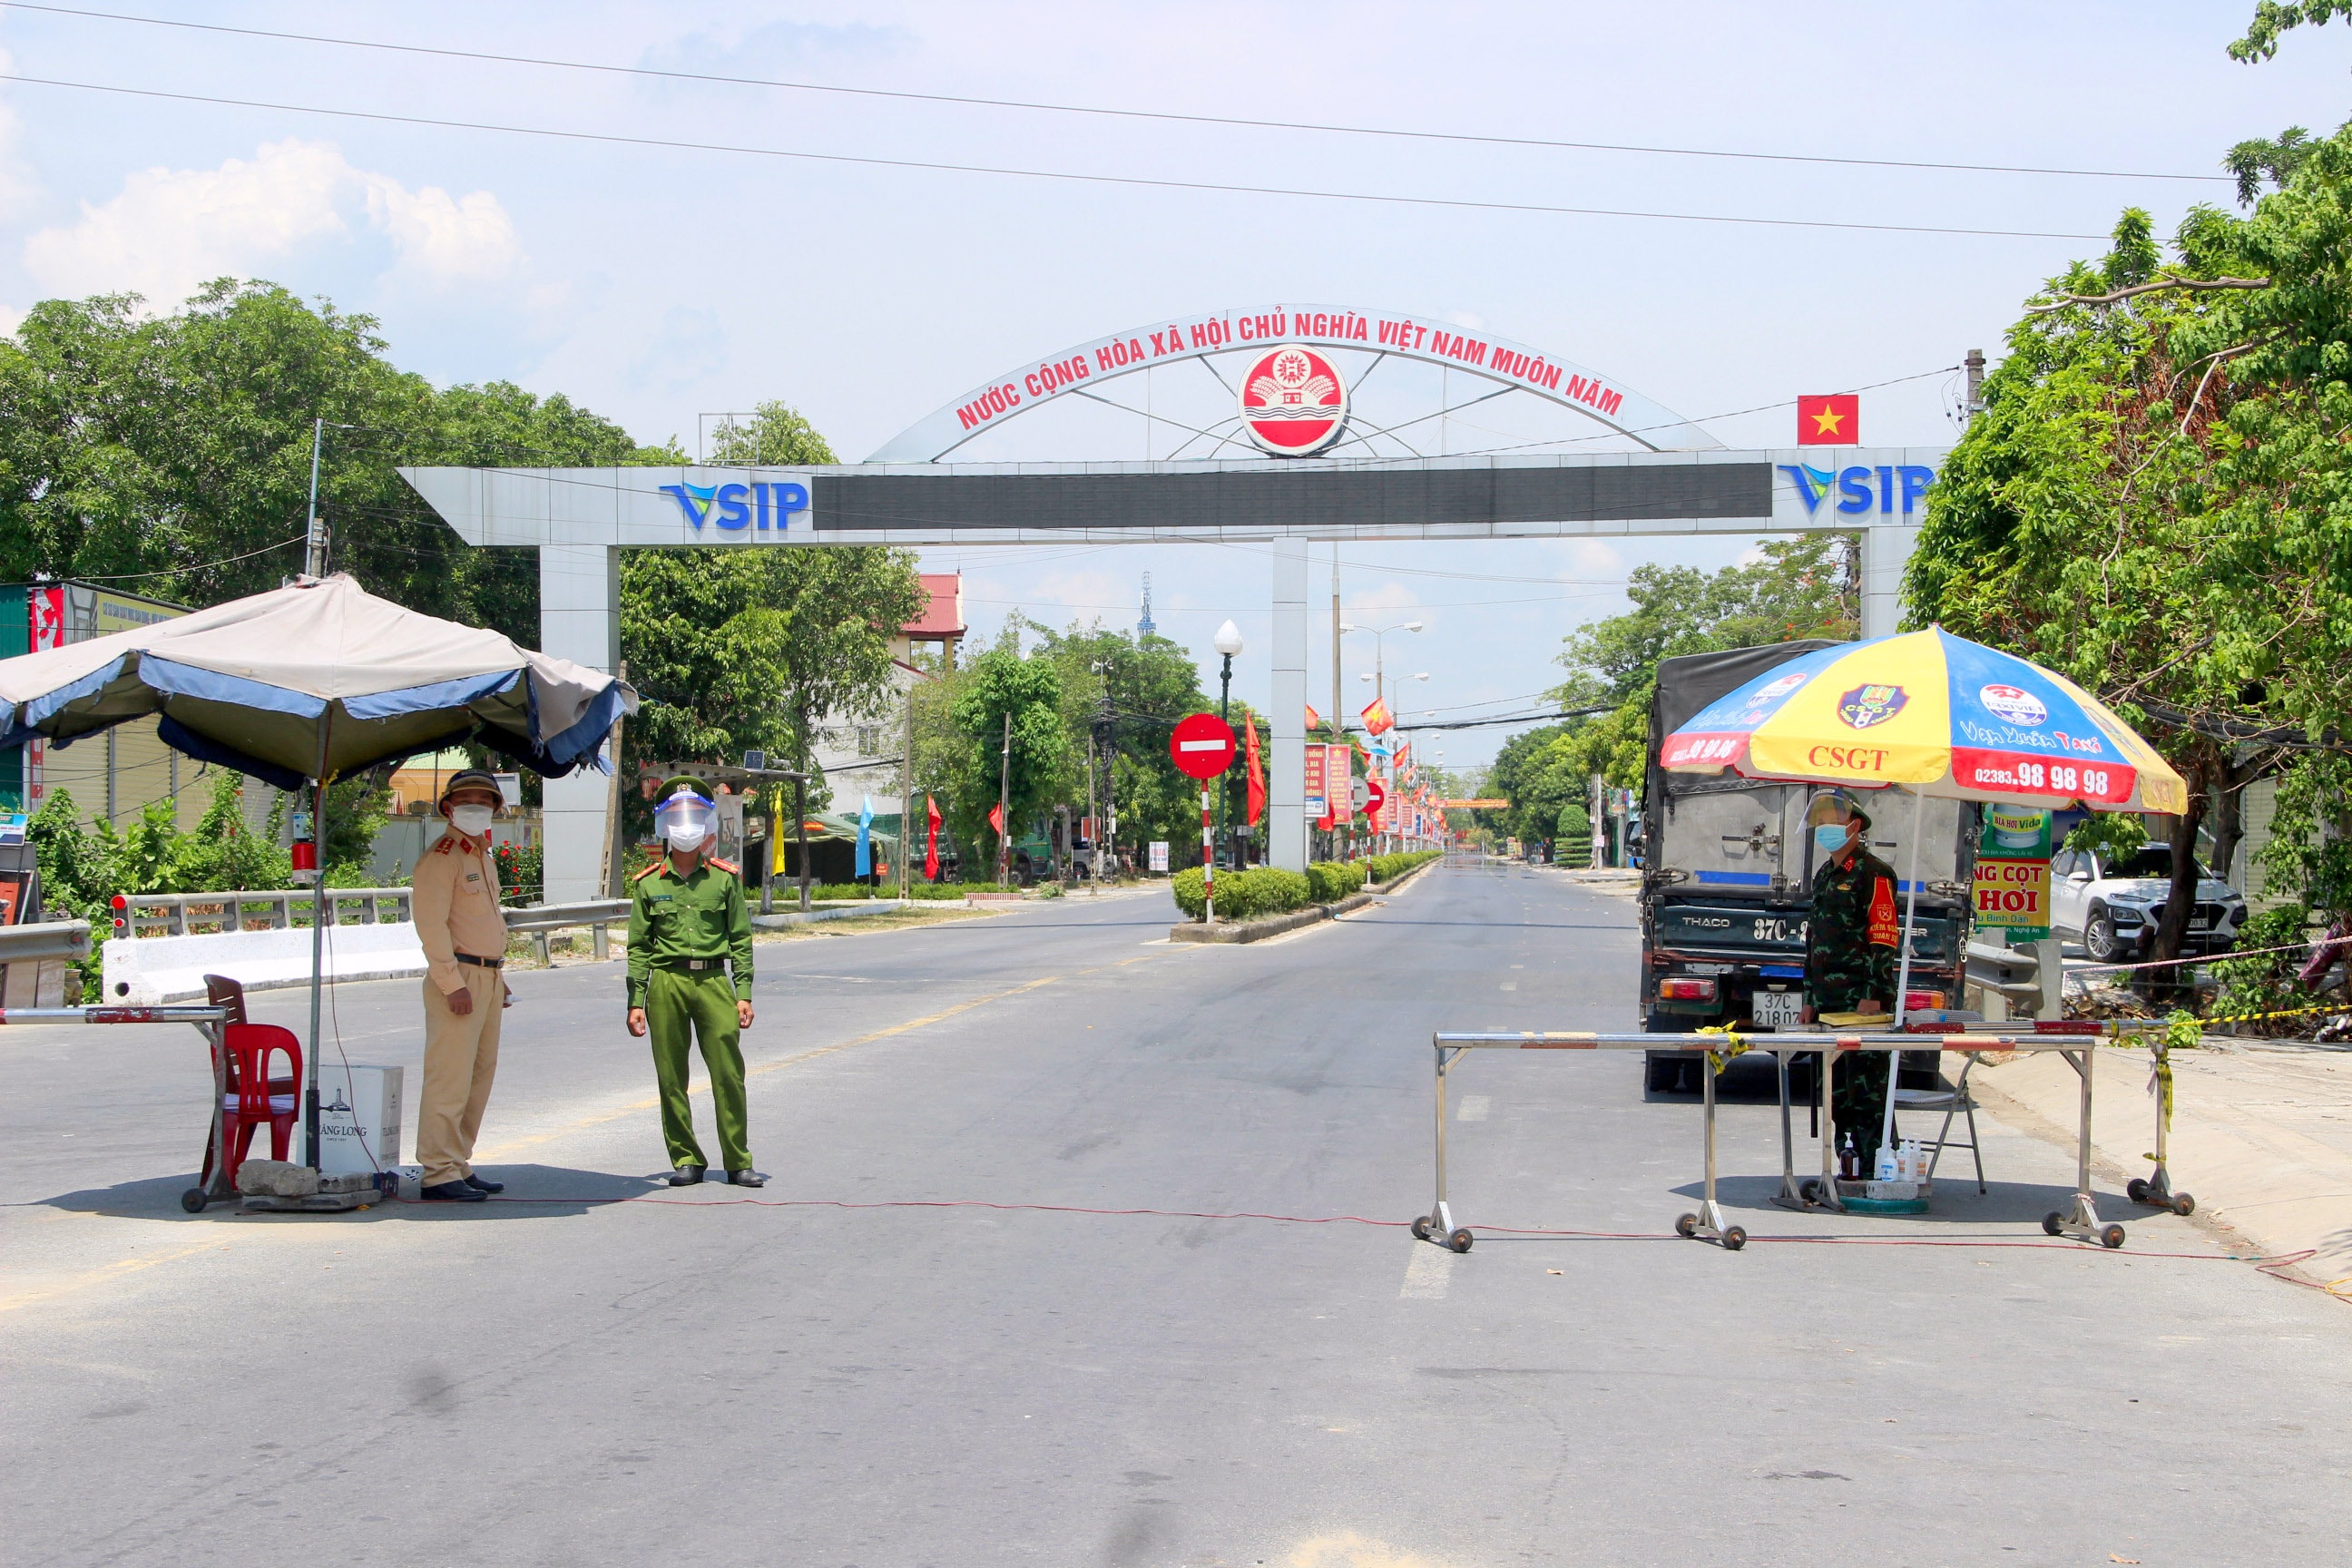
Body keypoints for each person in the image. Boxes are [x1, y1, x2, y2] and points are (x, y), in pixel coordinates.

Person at [627, 776, 762, 1187]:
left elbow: (740, 939)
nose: (685, 826)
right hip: (666, 983)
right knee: (671, 1076)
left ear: (704, 824)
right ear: (664, 825)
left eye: (692, 817)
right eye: (676, 817)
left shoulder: (724, 879)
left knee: (727, 1073)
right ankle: (686, 1158)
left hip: (713, 982)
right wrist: (636, 1000)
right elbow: (638, 946)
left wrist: (744, 993)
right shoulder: (648, 883)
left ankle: (738, 1161)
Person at [410, 769, 514, 1202]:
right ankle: (437, 1171)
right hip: (459, 977)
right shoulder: (444, 856)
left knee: (478, 1076)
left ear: (495, 808)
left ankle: (458, 1161)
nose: (477, 807)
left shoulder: (481, 855)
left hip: (487, 975)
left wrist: (499, 978)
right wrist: (451, 983)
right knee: (449, 1077)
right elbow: (431, 926)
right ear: (449, 808)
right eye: (467, 801)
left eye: (485, 801)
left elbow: (482, 922)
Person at [1802, 789, 1901, 1172]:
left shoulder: (1874, 874)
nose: (1824, 830)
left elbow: (1883, 937)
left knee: (1868, 1091)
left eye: (1833, 823)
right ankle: (1846, 1162)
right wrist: (1809, 996)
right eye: (1821, 823)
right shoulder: (1825, 874)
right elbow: (1815, 942)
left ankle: (1879, 1165)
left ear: (1855, 827)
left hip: (1862, 1005)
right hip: (1828, 1002)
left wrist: (1873, 996)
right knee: (1836, 1091)